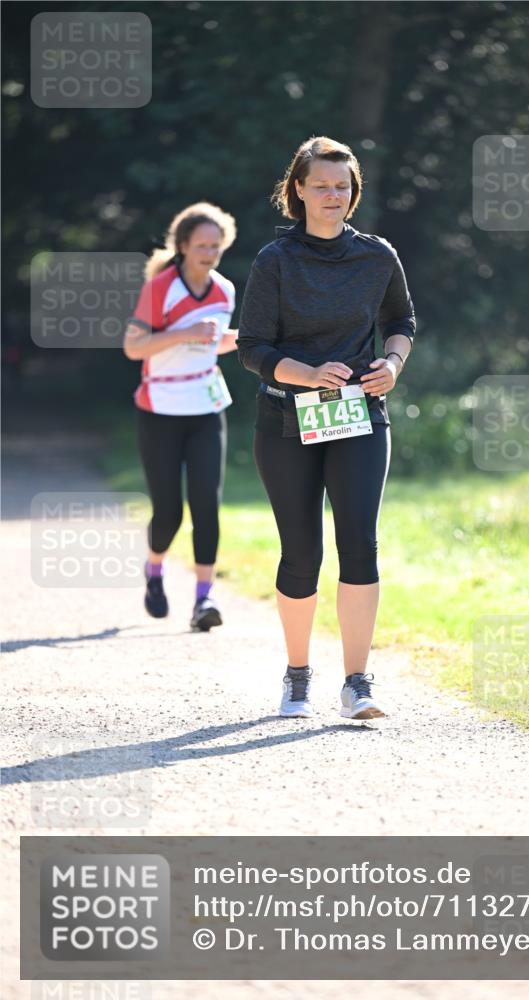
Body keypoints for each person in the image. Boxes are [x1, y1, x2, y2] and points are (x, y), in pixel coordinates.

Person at [237, 136, 415, 719]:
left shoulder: (377, 256)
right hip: (285, 418)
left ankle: (358, 683)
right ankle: (297, 677)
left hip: (358, 414)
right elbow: (253, 347)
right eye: (321, 185)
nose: (332, 195)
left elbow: (401, 319)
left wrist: (392, 365)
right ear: (299, 190)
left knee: (359, 543)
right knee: (301, 552)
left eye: (342, 186)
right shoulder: (275, 260)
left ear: (353, 191)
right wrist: (309, 374)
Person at [123, 202, 238, 631]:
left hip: (206, 406)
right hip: (161, 409)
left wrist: (248, 340)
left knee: (207, 505)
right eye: (202, 246)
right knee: (169, 512)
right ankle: (154, 569)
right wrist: (185, 333)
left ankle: (204, 599)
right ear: (184, 246)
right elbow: (134, 347)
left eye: (216, 246)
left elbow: (214, 342)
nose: (209, 253)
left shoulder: (225, 290)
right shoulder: (161, 288)